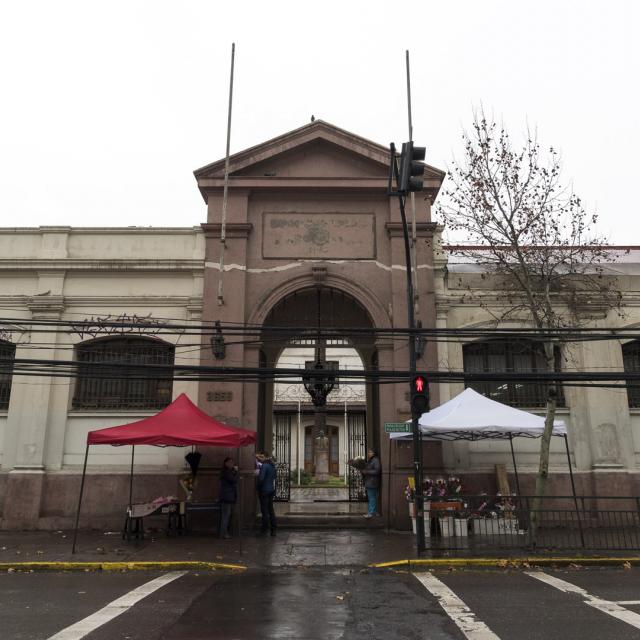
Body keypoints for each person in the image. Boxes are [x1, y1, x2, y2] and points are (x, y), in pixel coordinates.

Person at [256, 451, 277, 536]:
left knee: (264, 511)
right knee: (271, 510)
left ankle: (264, 530)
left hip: (264, 490)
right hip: (271, 489)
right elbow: (275, 476)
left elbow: (261, 479)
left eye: (261, 457)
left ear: (265, 458)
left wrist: (257, 487)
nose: (259, 458)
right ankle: (273, 529)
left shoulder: (264, 466)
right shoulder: (272, 466)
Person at [218, 457, 238, 539]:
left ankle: (225, 532)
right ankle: (223, 534)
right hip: (227, 497)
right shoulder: (226, 472)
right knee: (225, 516)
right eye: (230, 462)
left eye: (232, 462)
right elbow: (233, 480)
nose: (232, 464)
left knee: (227, 516)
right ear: (225, 463)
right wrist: (236, 472)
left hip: (229, 496)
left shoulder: (227, 471)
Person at [361, 448, 381, 518]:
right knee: (373, 497)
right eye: (368, 452)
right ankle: (374, 512)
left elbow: (377, 471)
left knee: (372, 497)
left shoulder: (375, 460)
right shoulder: (371, 460)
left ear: (374, 453)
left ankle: (371, 513)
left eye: (370, 452)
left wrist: (366, 472)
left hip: (372, 482)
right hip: (370, 481)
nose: (369, 453)